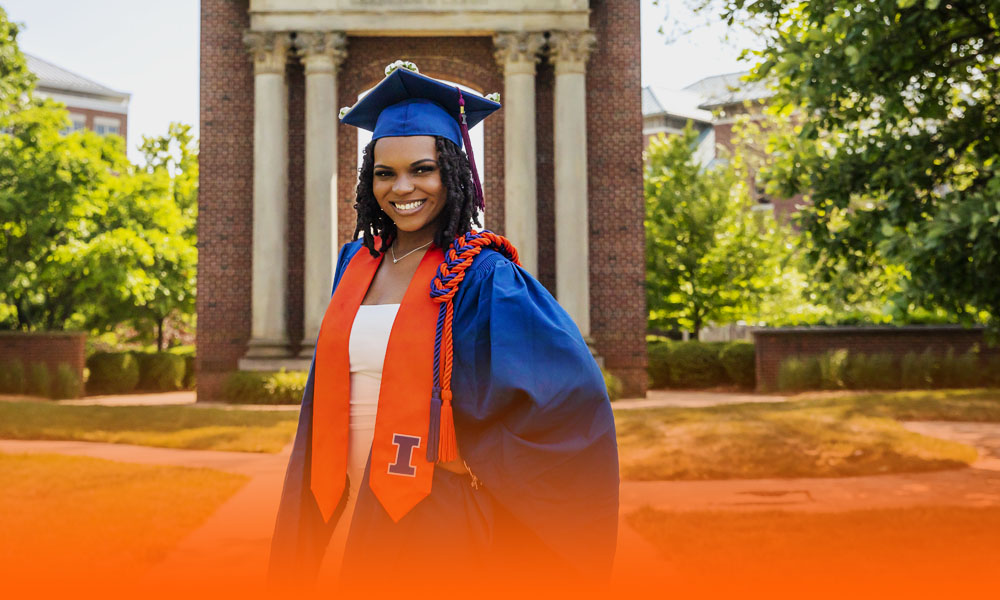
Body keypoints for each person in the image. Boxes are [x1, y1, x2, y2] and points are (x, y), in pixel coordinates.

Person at [267, 61, 619, 594]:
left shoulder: (482, 274)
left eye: (422, 169)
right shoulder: (355, 262)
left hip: (433, 515)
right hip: (341, 502)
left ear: (453, 172)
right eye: (384, 173)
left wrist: (475, 454)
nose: (401, 187)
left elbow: (566, 397)